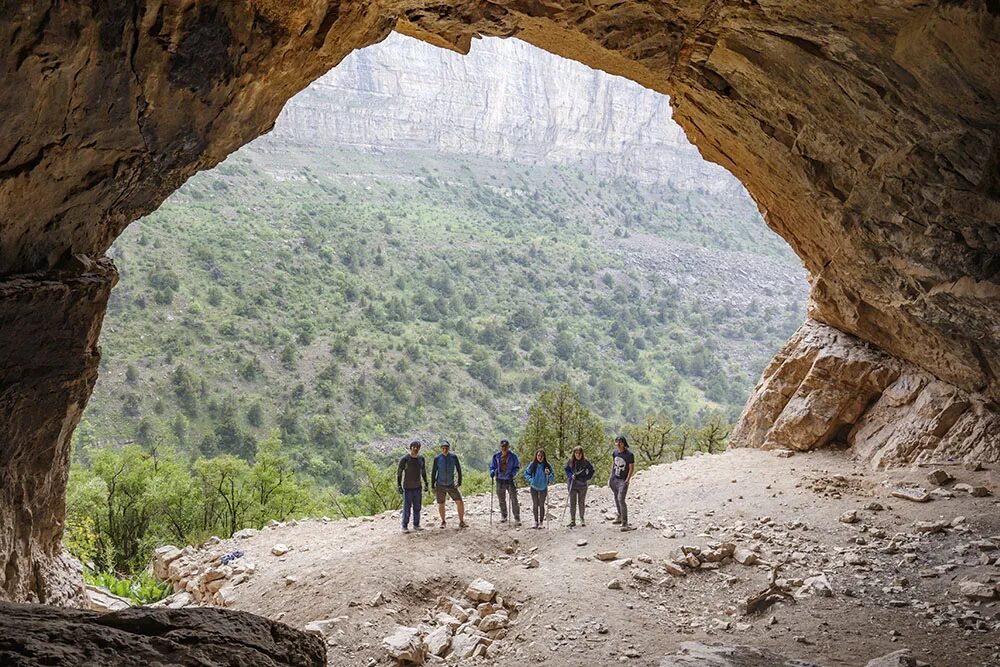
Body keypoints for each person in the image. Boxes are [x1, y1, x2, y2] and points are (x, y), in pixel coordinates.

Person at [431, 439, 467, 529]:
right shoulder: (437, 458)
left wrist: (459, 481)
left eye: (446, 447)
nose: (445, 449)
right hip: (440, 484)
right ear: (441, 448)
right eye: (443, 448)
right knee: (441, 503)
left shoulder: (454, 457)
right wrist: (432, 485)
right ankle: (443, 521)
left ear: (449, 448)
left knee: (459, 501)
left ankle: (461, 521)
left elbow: (459, 469)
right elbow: (433, 472)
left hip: (451, 484)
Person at [396, 440, 429, 533]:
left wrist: (426, 482)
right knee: (407, 508)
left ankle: (416, 524)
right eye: (414, 447)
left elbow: (423, 471)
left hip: (418, 486)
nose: (415, 448)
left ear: (419, 448)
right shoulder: (404, 459)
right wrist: (399, 485)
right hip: (407, 487)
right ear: (410, 447)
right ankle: (404, 526)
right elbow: (399, 473)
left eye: (417, 447)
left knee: (417, 507)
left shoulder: (421, 459)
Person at [489, 439, 521, 526]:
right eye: (502, 446)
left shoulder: (513, 456)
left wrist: (513, 474)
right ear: (500, 447)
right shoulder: (496, 456)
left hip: (510, 480)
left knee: (514, 499)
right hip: (499, 479)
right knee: (501, 499)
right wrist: (492, 471)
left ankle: (517, 518)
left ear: (508, 447)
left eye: (505, 446)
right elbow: (492, 466)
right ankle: (504, 516)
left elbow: (517, 466)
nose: (504, 448)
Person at [564, 447, 595, 527]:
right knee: (572, 502)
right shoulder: (570, 461)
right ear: (574, 454)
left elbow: (592, 470)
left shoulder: (585, 462)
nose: (578, 455)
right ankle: (572, 520)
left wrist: (586, 478)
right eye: (576, 453)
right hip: (572, 484)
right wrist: (571, 476)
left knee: (581, 502)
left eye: (579, 453)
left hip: (582, 485)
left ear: (582, 454)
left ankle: (582, 518)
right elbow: (566, 469)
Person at [523, 449, 555, 529]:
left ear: (544, 457)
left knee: (541, 505)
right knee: (535, 504)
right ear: (536, 456)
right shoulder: (532, 464)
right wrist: (531, 480)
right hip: (534, 487)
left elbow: (552, 478)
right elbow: (526, 474)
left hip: (543, 487)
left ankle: (541, 522)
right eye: (538, 456)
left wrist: (548, 474)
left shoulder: (547, 465)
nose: (540, 457)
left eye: (541, 456)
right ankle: (535, 521)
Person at [610, 435, 636, 531]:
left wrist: (627, 480)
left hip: (623, 480)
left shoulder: (629, 455)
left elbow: (631, 468)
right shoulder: (615, 453)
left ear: (624, 443)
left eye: (620, 442)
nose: (619, 444)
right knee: (616, 498)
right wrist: (611, 476)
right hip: (614, 478)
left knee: (621, 499)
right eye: (617, 442)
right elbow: (613, 463)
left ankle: (625, 523)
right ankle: (620, 516)